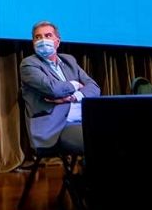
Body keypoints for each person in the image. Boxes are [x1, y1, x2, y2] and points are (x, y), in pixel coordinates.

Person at [20, 21, 100, 154]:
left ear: (58, 41)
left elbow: (94, 87)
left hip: (83, 118)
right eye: (38, 37)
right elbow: (53, 89)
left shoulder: (69, 61)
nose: (42, 40)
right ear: (33, 42)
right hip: (56, 127)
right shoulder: (29, 64)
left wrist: (73, 97)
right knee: (96, 140)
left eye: (48, 35)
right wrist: (75, 84)